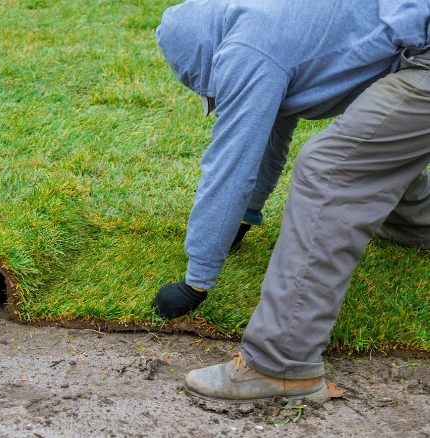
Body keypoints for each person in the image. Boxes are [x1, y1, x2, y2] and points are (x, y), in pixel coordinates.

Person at [154, 0, 430, 402]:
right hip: (416, 48)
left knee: (329, 170)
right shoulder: (266, 19)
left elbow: (231, 164)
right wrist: (244, 216)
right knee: (369, 144)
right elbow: (268, 136)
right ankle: (419, 228)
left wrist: (196, 281)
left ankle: (280, 364)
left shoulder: (247, 52)